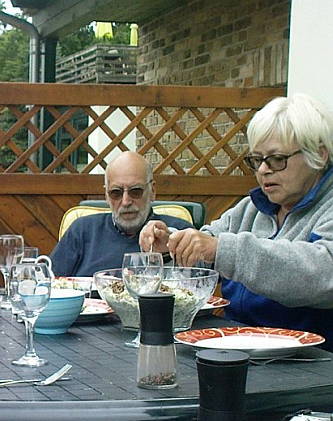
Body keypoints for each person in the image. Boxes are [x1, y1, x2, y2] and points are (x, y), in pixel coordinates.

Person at [140, 93, 333, 350]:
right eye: (257, 160)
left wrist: (223, 250)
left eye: (277, 159)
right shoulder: (251, 208)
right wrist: (171, 245)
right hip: (233, 347)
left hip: (312, 362)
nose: (263, 170)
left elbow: (323, 274)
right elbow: (209, 249)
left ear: (318, 155)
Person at [50, 151, 193, 276]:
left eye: (135, 191)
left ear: (152, 191)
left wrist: (167, 253)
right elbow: (48, 284)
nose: (126, 202)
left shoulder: (179, 232)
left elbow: (197, 288)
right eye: (116, 193)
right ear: (106, 195)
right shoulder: (82, 230)